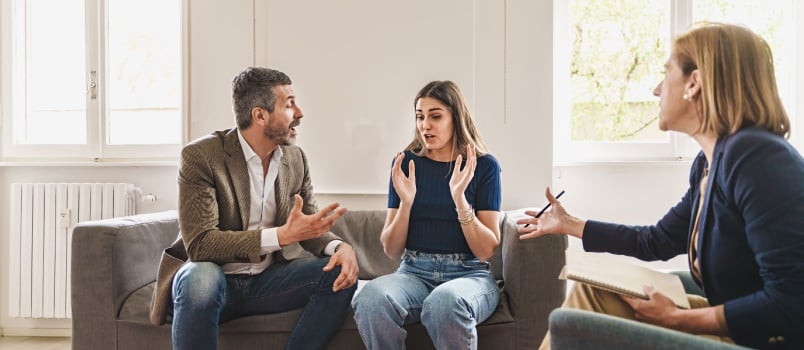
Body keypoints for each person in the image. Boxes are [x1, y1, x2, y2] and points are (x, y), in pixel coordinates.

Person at [518, 23, 804, 350]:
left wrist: (677, 319)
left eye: (665, 73)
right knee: (591, 290)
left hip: (761, 340)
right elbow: (658, 240)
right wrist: (569, 224)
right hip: (736, 329)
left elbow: (793, 302)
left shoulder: (758, 158)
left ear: (693, 83)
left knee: (567, 323)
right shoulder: (709, 163)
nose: (656, 90)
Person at [148, 67, 359, 350]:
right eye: (289, 104)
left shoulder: (295, 159)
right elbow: (200, 244)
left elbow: (307, 227)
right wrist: (279, 237)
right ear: (260, 115)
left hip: (268, 282)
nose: (299, 112)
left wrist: (339, 248)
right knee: (198, 279)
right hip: (214, 278)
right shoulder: (202, 156)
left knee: (339, 272)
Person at [352, 80, 503, 349]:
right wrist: (407, 203)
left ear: (456, 118)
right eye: (420, 116)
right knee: (370, 297)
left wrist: (459, 199)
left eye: (435, 116)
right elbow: (391, 249)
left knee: (444, 301)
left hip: (469, 275)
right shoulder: (406, 163)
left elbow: (486, 250)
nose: (425, 125)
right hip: (413, 272)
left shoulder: (484, 166)